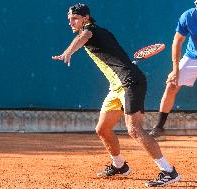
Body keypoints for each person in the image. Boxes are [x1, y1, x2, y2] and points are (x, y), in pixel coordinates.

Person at [52, 3, 181, 187]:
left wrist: (68, 51)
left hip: (130, 82)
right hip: (116, 86)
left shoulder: (90, 31)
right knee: (102, 129)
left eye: (75, 18)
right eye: (69, 19)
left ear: (85, 18)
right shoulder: (101, 33)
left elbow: (85, 36)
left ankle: (168, 171)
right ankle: (119, 165)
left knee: (134, 130)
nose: (71, 22)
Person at [149, 1, 197, 138]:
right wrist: (175, 69)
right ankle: (159, 127)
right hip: (192, 57)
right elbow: (178, 41)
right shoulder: (189, 16)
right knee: (171, 85)